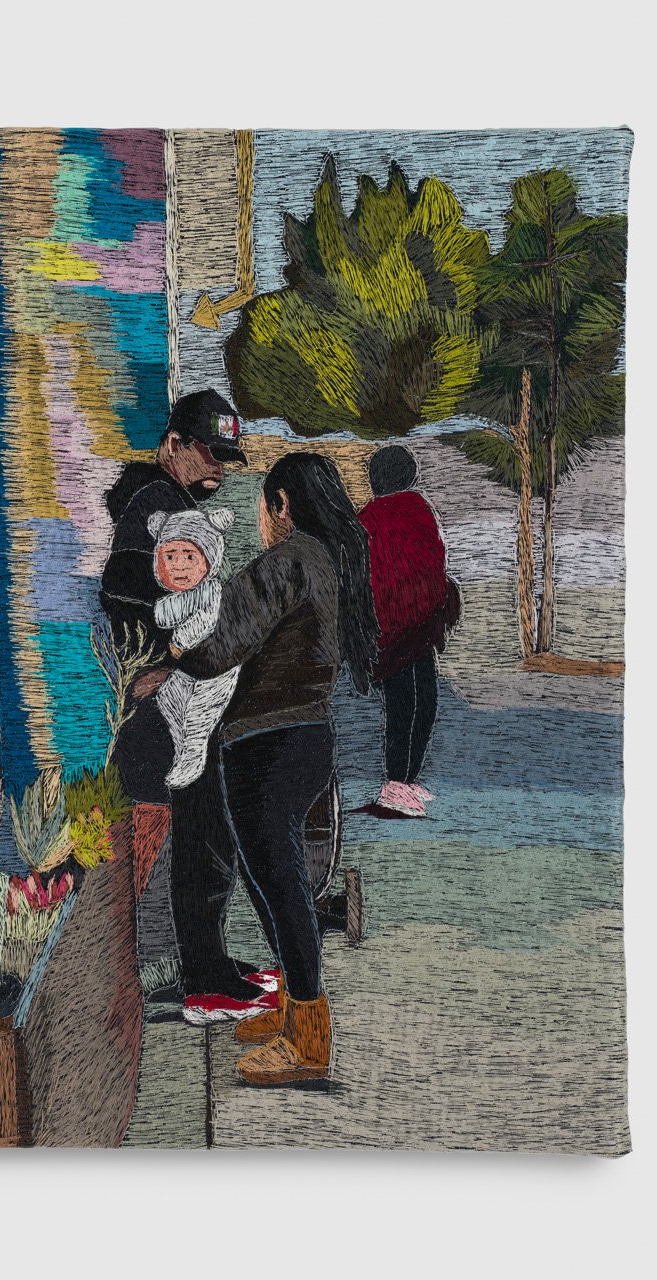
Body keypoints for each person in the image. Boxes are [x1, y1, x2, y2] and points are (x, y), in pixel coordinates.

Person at [174, 452, 379, 1086]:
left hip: (267, 744)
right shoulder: (329, 561)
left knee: (280, 889)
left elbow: (223, 643)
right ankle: (293, 1009)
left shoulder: (288, 560)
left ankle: (309, 1041)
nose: (261, 521)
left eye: (263, 507)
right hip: (306, 737)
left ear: (281, 504)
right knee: (277, 885)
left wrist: (170, 654)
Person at [100, 389, 271, 1020]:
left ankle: (203, 965)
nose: (220, 469)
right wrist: (162, 663)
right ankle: (196, 975)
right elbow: (122, 596)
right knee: (193, 841)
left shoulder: (164, 503)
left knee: (197, 838)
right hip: (165, 709)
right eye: (210, 454)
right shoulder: (157, 506)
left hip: (174, 703)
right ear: (172, 444)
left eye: (226, 458)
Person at [358, 445, 461, 818]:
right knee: (414, 704)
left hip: (401, 629)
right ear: (410, 475)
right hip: (407, 628)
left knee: (413, 703)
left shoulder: (400, 512)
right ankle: (395, 784)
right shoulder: (392, 515)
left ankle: (405, 780)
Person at [148, 507, 240, 791]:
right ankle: (182, 748)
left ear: (210, 560)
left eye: (190, 557)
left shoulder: (212, 590)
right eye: (170, 557)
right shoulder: (174, 598)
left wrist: (178, 642)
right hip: (191, 667)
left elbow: (205, 620)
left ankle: (194, 752)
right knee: (168, 698)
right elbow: (163, 616)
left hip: (217, 666)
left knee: (200, 711)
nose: (180, 566)